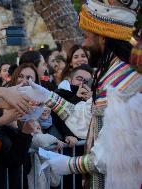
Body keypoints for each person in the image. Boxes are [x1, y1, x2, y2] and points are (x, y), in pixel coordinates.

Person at [19, 1, 142, 189]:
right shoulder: (111, 73)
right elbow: (88, 122)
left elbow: (114, 154)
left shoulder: (122, 82)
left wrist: (69, 165)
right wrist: (48, 96)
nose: (83, 44)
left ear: (102, 37)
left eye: (86, 36)